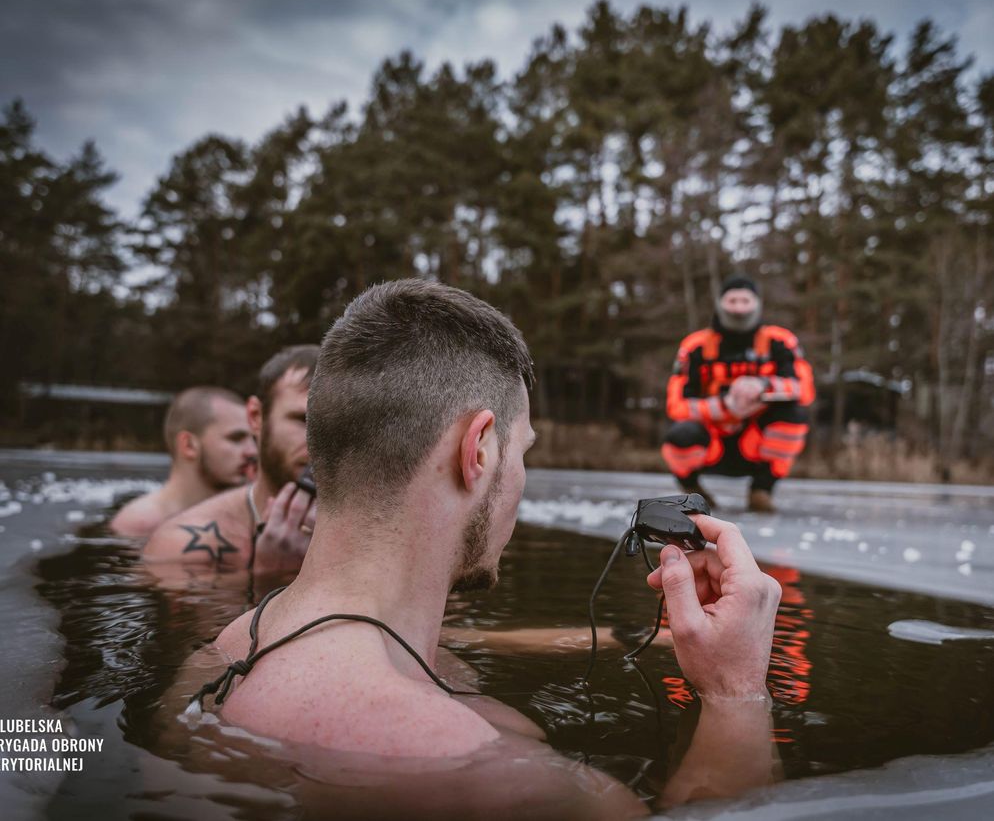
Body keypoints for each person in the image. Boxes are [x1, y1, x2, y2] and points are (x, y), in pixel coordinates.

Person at [175, 280, 782, 816]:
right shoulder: (485, 776)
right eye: (524, 452)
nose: (520, 478)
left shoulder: (226, 651)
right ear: (481, 451)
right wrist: (736, 692)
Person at [142, 345, 319, 574]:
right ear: (256, 417)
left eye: (340, 424)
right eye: (304, 420)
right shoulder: (183, 547)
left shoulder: (375, 533)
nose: (324, 440)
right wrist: (271, 575)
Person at [661, 276, 815, 512]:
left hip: (754, 443)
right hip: (712, 444)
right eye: (733, 300)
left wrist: (763, 386)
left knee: (794, 415)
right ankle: (693, 493)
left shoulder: (780, 341)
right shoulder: (695, 346)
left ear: (757, 304)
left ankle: (761, 490)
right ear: (720, 303)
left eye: (746, 300)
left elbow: (804, 390)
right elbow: (676, 405)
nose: (739, 308)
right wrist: (726, 406)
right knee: (679, 434)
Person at [110, 387, 257, 538]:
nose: (253, 451)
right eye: (235, 438)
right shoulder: (143, 523)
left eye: (254, 439)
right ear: (189, 445)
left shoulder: (252, 516)